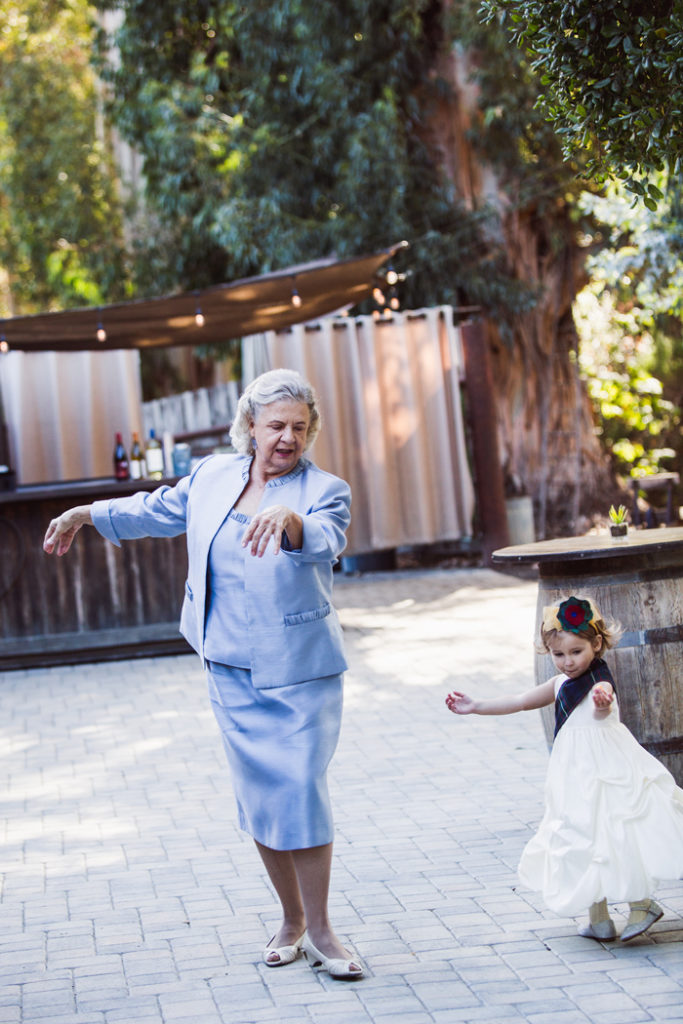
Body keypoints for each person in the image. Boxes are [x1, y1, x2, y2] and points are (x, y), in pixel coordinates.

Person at [43, 368, 363, 979]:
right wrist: (87, 512)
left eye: (299, 427)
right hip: (229, 665)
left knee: (300, 787)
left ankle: (323, 930)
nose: (287, 438)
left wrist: (293, 524)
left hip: (300, 671)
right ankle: (290, 920)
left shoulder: (324, 489)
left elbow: (328, 536)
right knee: (260, 796)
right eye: (275, 426)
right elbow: (158, 509)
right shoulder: (215, 474)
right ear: (249, 425)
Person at [445, 594, 683, 942]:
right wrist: (477, 705)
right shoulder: (559, 684)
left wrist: (603, 703)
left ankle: (641, 904)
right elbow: (521, 701)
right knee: (579, 835)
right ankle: (597, 916)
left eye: (576, 652)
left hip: (607, 774)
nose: (568, 662)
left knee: (616, 832)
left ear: (596, 644)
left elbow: (603, 701)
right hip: (574, 776)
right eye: (559, 654)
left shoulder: (600, 681)